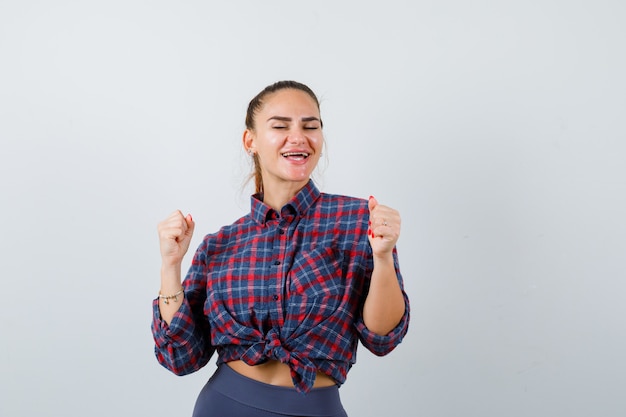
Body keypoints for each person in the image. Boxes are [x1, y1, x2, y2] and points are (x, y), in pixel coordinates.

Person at [151, 80, 410, 417]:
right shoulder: (220, 245)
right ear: (251, 141)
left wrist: (383, 257)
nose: (299, 137)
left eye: (310, 126)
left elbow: (382, 338)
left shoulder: (360, 221)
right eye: (280, 125)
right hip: (222, 405)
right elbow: (181, 357)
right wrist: (170, 266)